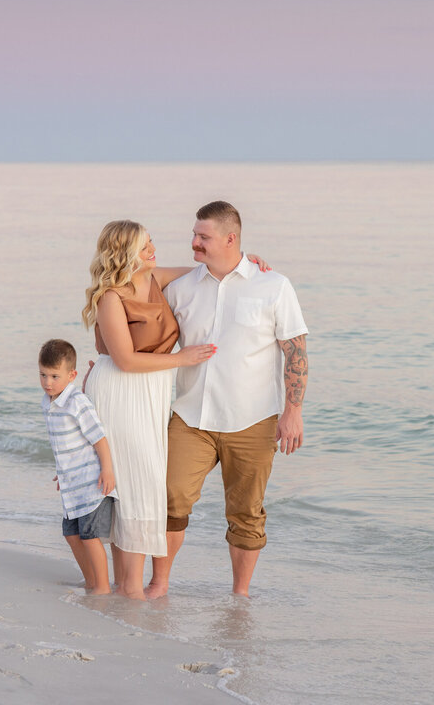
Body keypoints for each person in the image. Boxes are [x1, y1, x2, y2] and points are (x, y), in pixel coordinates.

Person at [149, 201, 308, 598]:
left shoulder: (273, 285)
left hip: (252, 420)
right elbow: (137, 293)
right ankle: (160, 583)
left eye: (203, 237)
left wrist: (293, 412)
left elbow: (296, 352)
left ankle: (240, 596)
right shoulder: (181, 288)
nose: (194, 242)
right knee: (170, 498)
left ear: (230, 238)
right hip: (190, 417)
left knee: (246, 512)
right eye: (194, 234)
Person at [81, 220, 217, 600]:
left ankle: (126, 584)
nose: (153, 251)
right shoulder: (111, 296)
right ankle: (131, 589)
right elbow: (124, 359)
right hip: (120, 391)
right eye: (144, 247)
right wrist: (183, 358)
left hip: (152, 393)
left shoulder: (156, 277)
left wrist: (246, 263)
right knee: (134, 481)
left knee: (141, 480)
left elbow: (204, 271)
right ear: (123, 254)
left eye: (152, 242)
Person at [39, 338, 116, 595]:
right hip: (72, 483)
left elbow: (98, 437)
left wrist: (107, 469)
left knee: (89, 536)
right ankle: (90, 581)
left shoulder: (77, 402)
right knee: (71, 534)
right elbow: (64, 445)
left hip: (91, 482)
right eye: (43, 375)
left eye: (54, 376)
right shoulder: (48, 403)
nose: (48, 382)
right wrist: (62, 472)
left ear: (72, 375)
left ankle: (102, 586)